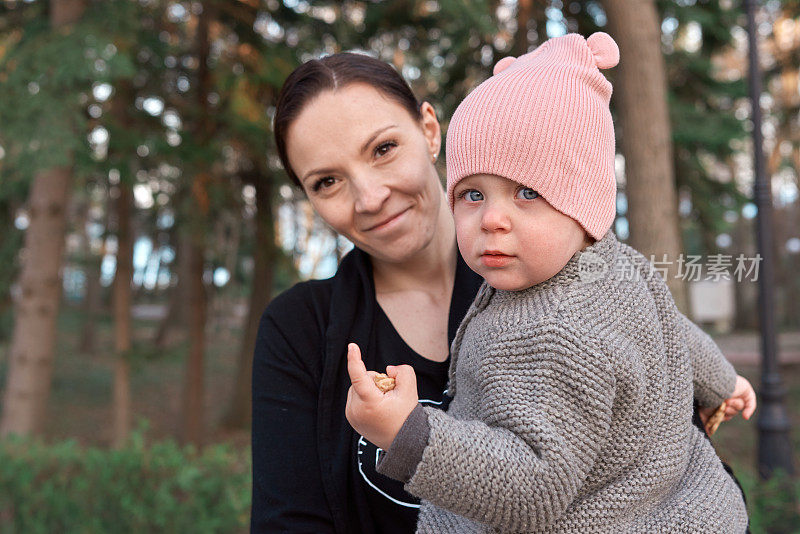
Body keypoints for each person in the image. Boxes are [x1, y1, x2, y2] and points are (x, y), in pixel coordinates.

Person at [344, 32, 757, 532]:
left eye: (527, 192)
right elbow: (675, 334)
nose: (492, 219)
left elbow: (529, 489)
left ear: (584, 205)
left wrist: (407, 433)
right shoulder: (614, 266)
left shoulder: (555, 332)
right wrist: (724, 382)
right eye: (473, 194)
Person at [250, 52, 483, 533]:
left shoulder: (555, 274)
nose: (370, 197)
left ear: (430, 131)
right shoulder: (298, 329)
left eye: (383, 149)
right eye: (328, 181)